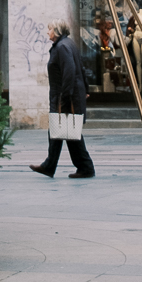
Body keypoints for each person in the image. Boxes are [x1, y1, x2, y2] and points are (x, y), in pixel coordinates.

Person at [31, 21, 96, 178]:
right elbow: (80, 67)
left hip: (65, 96)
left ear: (57, 31)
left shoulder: (62, 47)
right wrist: (85, 89)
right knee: (65, 132)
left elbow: (70, 71)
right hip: (67, 95)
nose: (48, 32)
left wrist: (65, 97)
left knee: (61, 131)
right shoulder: (68, 44)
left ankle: (75, 166)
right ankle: (80, 166)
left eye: (50, 29)